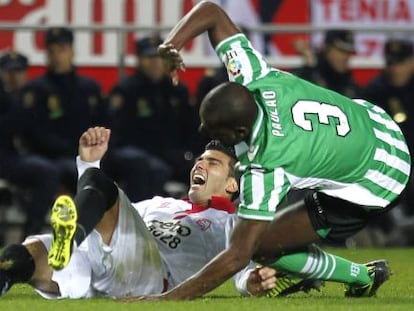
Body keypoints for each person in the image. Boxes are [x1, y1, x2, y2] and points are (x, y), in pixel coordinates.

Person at [129, 1, 408, 300]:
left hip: (382, 176)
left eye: (214, 130)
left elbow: (238, 255)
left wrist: (165, 300)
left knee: (262, 245)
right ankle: (341, 272)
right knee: (274, 232)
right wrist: (172, 44)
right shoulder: (253, 76)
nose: (204, 133)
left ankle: (361, 276)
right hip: (378, 124)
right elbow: (212, 11)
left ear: (239, 133)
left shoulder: (266, 165)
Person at [0, 127, 278, 298]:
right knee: (27, 252)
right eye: (199, 161)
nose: (199, 166)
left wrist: (250, 282)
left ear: (233, 184)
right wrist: (87, 163)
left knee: (100, 184)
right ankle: (11, 276)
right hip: (107, 268)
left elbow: (240, 264)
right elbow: (104, 219)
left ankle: (69, 241)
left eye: (212, 163)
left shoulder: (231, 223)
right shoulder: (160, 203)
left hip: (153, 276)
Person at [105, 35, 199, 200]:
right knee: (148, 167)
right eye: (149, 57)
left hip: (171, 154)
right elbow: (116, 132)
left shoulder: (177, 90)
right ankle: (143, 218)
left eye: (159, 57)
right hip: (136, 153)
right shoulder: (127, 90)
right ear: (139, 60)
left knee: (203, 166)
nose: (155, 62)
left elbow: (191, 128)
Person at [19, 27, 106, 195]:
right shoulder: (35, 90)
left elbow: (104, 123)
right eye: (52, 52)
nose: (57, 57)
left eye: (62, 50)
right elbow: (33, 130)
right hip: (49, 157)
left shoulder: (89, 88)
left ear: (72, 52)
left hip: (86, 156)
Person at [0, 51, 60, 237]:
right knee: (45, 170)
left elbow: (45, 132)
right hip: (6, 157)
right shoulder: (5, 99)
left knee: (49, 171)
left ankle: (31, 233)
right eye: (8, 72)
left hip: (26, 157)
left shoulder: (37, 95)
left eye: (18, 71)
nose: (13, 76)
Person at [361, 38, 414, 246]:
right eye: (391, 63)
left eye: (399, 63)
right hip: (387, 165)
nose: (394, 69)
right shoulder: (374, 92)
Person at [293, 29, 362, 98]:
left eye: (348, 53)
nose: (345, 57)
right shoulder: (307, 74)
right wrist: (309, 68)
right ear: (327, 48)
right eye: (341, 51)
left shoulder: (348, 82)